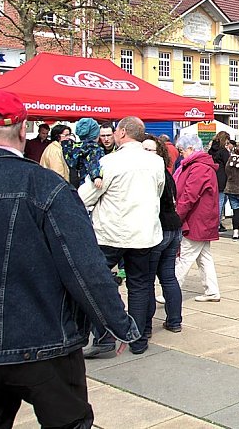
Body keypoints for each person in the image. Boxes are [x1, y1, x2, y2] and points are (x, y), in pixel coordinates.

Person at [0, 90, 139, 429]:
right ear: (24, 128)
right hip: (45, 342)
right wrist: (117, 324)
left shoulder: (46, 187)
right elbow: (84, 267)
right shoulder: (46, 187)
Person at [79, 116, 165, 357]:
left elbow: (85, 196)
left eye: (116, 130)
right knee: (139, 285)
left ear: (123, 132)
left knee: (99, 284)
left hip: (111, 233)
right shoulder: (156, 162)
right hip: (144, 232)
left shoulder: (109, 162)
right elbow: (157, 191)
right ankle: (137, 340)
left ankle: (105, 336)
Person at [142, 136, 183, 334]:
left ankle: (147, 326)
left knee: (149, 278)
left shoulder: (152, 174)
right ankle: (174, 321)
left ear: (159, 152)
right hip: (172, 227)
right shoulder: (165, 173)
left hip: (162, 229)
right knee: (167, 277)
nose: (145, 153)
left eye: (149, 150)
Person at [174, 133, 221, 303]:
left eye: (182, 150)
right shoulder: (199, 165)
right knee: (203, 257)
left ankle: (170, 291)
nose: (180, 154)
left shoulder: (199, 167)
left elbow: (189, 196)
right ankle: (212, 290)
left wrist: (177, 216)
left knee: (185, 257)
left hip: (197, 219)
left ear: (191, 149)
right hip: (202, 219)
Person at [62, 117, 104, 189]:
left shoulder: (74, 147)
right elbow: (93, 161)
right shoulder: (93, 147)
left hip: (78, 185)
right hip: (91, 185)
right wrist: (96, 176)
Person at [208, 131, 231, 231]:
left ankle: (216, 222)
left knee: (215, 202)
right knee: (220, 201)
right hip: (222, 178)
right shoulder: (223, 151)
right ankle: (216, 224)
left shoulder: (211, 150)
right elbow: (228, 164)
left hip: (213, 176)